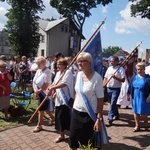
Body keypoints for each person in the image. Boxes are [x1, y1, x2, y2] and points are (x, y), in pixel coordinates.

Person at [68, 52, 108, 150]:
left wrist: (98, 119)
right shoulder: (78, 75)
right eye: (78, 61)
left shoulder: (97, 78)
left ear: (90, 63)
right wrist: (74, 107)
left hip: (90, 115)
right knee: (73, 140)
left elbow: (100, 99)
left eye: (82, 61)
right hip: (77, 112)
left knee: (88, 143)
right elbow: (77, 92)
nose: (79, 63)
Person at [46, 58, 74, 143]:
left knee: (63, 117)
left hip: (65, 100)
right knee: (59, 118)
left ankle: (65, 134)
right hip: (58, 99)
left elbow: (65, 84)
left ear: (65, 65)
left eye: (60, 64)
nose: (58, 66)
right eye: (57, 64)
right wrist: (52, 90)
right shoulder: (58, 73)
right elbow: (54, 83)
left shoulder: (68, 72)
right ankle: (62, 134)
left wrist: (52, 88)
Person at [32, 56, 54, 132]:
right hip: (38, 92)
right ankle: (53, 118)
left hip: (45, 93)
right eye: (37, 64)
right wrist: (35, 90)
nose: (37, 65)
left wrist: (40, 91)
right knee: (45, 109)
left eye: (38, 63)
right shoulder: (38, 71)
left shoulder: (47, 71)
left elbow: (46, 84)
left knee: (41, 109)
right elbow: (34, 81)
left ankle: (39, 126)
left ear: (43, 63)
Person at [127, 62, 150, 132]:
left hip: (144, 96)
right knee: (136, 111)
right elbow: (130, 86)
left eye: (141, 69)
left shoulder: (148, 78)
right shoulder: (134, 77)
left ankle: (146, 123)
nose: (139, 71)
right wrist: (128, 94)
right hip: (135, 96)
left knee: (144, 111)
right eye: (138, 69)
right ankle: (137, 125)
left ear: (144, 69)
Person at [103, 56, 125, 127]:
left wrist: (115, 77)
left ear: (116, 61)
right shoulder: (109, 68)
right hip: (109, 88)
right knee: (112, 103)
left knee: (112, 103)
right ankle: (116, 115)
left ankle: (109, 120)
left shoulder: (120, 69)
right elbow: (105, 77)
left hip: (116, 88)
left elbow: (123, 80)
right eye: (110, 61)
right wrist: (104, 85)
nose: (111, 62)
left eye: (112, 61)